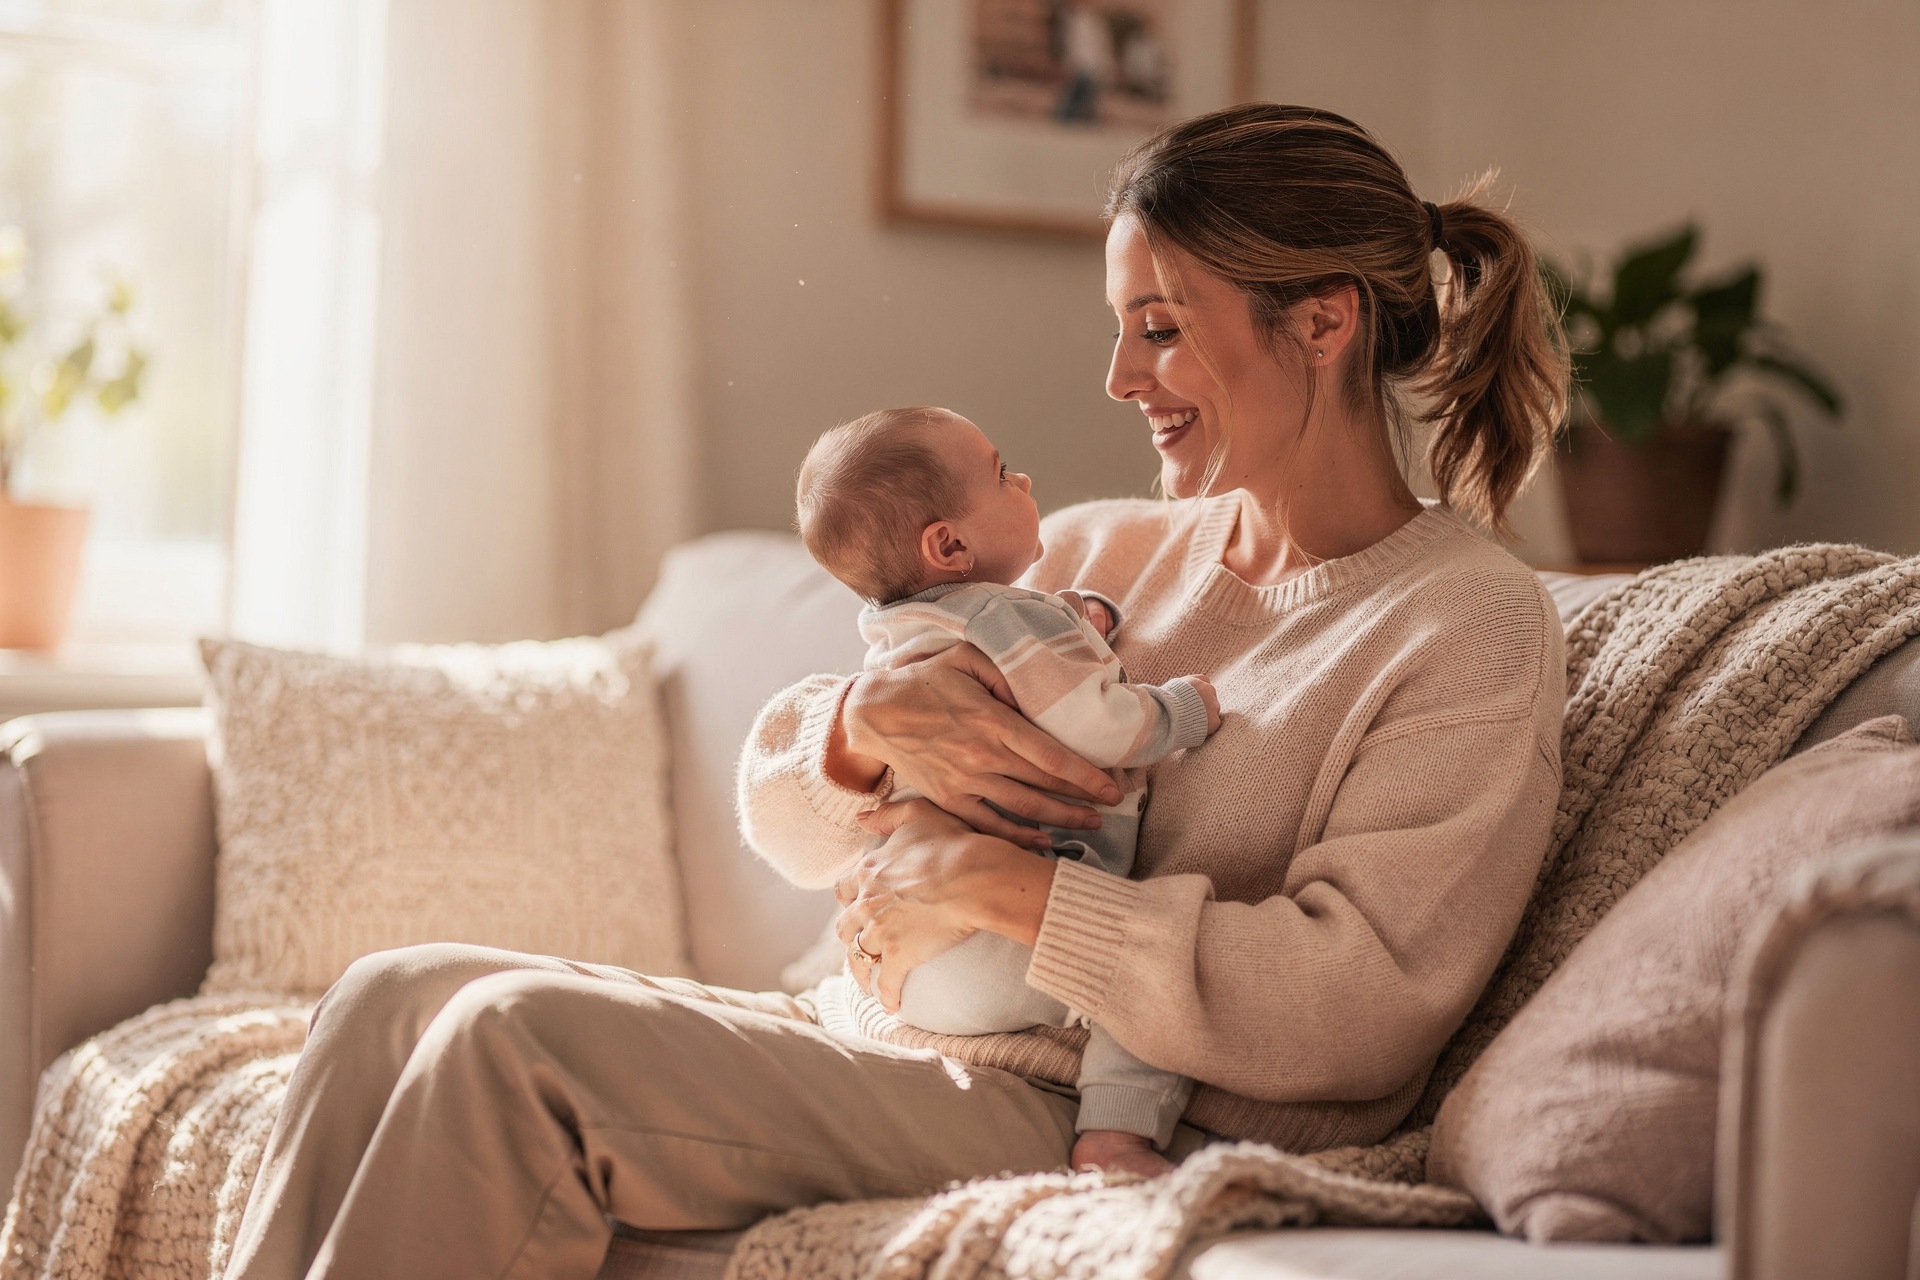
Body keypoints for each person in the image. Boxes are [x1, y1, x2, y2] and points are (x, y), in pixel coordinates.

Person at [225, 103, 1571, 1280]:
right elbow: (792, 825)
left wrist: (1011, 893)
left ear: (1324, 319)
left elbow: (1361, 1003)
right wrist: (855, 737)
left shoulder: (1463, 622)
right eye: (1120, 331)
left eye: (1160, 330)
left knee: (508, 1043)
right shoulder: (1094, 551)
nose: (1117, 380)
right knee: (389, 995)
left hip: (1091, 1103)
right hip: (883, 1022)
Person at [791, 404, 1224, 1176]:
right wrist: (1182, 710)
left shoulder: (898, 632)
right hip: (1002, 944)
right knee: (1137, 986)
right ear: (949, 544)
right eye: (1000, 474)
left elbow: (1038, 651)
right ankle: (1117, 1137)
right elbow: (1097, 723)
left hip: (901, 973)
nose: (1022, 479)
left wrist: (1081, 620)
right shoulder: (1004, 614)